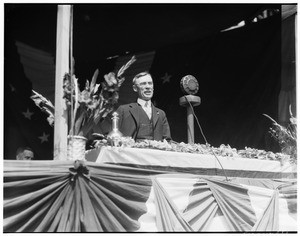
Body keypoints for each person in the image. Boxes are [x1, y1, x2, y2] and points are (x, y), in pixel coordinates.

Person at [116, 72, 171, 142]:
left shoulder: (161, 114)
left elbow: (167, 141)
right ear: (135, 88)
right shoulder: (123, 110)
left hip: (155, 152)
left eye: (150, 83)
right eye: (143, 84)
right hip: (130, 152)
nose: (148, 87)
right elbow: (113, 138)